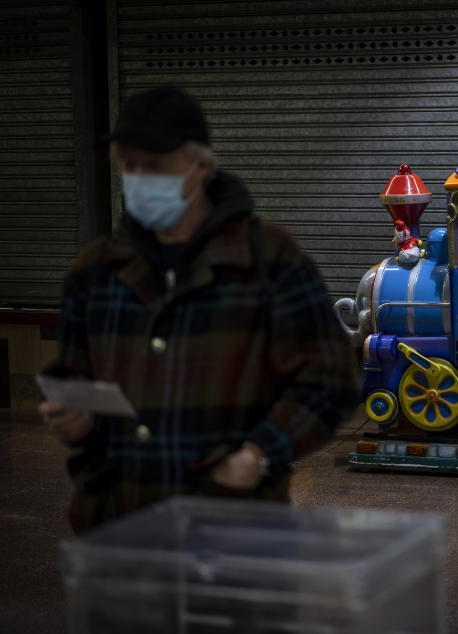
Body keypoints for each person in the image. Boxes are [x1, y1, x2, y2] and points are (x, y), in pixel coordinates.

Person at [38, 86, 360, 532]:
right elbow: (73, 376)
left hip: (231, 524)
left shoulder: (268, 259)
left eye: (155, 166)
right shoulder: (94, 271)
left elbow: (329, 381)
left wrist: (259, 452)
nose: (138, 178)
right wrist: (74, 419)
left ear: (201, 167)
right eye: (129, 166)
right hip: (116, 522)